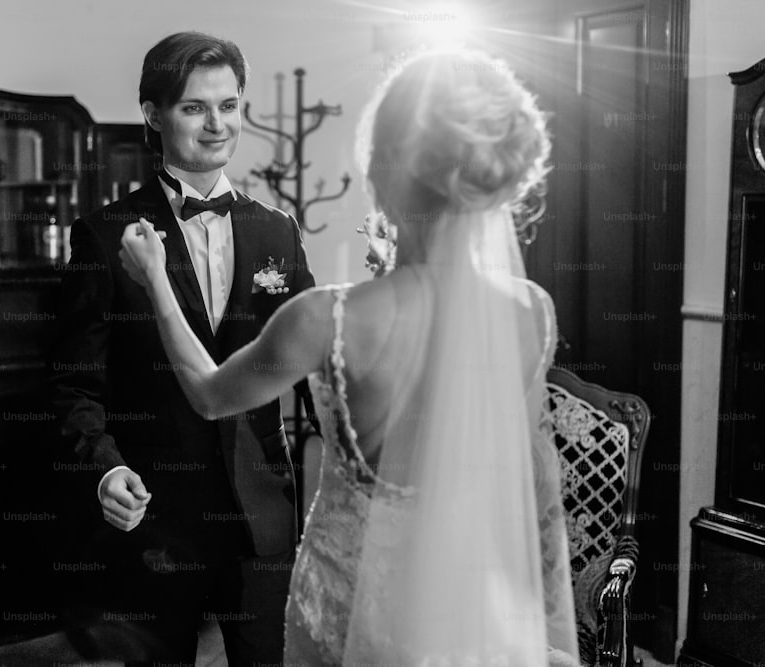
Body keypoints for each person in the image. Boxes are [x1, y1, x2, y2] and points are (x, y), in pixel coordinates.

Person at [120, 48, 581, 665]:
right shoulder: (531, 312)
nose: (215, 122)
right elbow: (539, 490)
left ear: (381, 171)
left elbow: (207, 394)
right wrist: (543, 630)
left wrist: (154, 280)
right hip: (473, 603)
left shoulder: (329, 319)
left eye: (228, 105)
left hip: (348, 605)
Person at [49, 32, 315, 666]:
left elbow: (314, 366)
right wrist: (106, 469)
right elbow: (73, 386)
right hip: (156, 518)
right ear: (154, 113)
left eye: (229, 105)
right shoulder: (104, 235)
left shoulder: (277, 229)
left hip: (260, 512)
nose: (217, 123)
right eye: (196, 107)